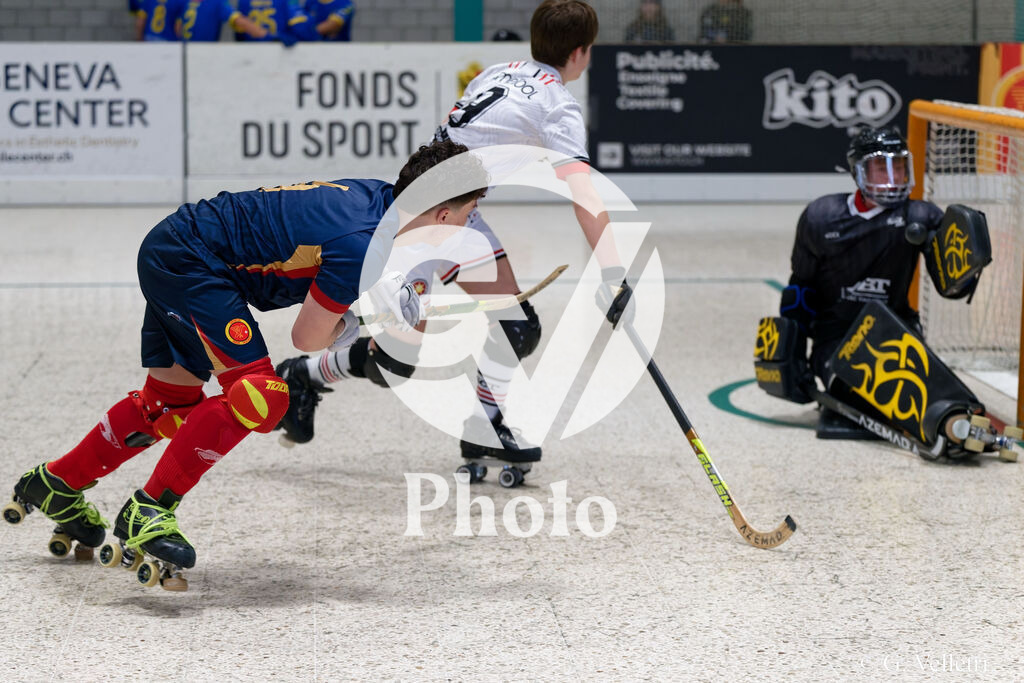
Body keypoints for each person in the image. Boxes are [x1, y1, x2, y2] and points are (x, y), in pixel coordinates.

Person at [3, 141, 483, 587]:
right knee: (261, 398)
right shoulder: (363, 244)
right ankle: (148, 510)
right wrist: (360, 323)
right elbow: (308, 336)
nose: (470, 225)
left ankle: (55, 484)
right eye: (470, 214)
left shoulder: (377, 200)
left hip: (177, 244)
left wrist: (373, 309)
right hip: (193, 264)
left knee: (168, 405)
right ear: (442, 213)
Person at [275, 0, 632, 483]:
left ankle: (484, 425)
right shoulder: (558, 105)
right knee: (394, 364)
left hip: (445, 208)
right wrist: (614, 274)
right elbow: (584, 192)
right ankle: (305, 374)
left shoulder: (498, 70)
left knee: (514, 325)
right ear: (581, 52)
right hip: (434, 222)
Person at [766, 125, 993, 455]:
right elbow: (800, 291)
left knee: (929, 389)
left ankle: (961, 420)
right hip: (837, 339)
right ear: (858, 172)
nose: (892, 178)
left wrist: (966, 266)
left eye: (899, 167)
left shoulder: (921, 215)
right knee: (877, 392)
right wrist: (792, 356)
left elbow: (951, 288)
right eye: (881, 168)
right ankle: (950, 427)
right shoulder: (821, 218)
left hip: (897, 331)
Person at [234, 0, 318, 45]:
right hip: (280, 50)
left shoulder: (243, 1)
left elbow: (239, 36)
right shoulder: (284, 2)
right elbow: (304, 32)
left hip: (249, 53)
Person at [181, 0, 268, 41]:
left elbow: (176, 28)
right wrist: (269, 37)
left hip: (178, 54)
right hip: (202, 55)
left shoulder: (180, 2)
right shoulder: (216, 3)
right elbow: (240, 22)